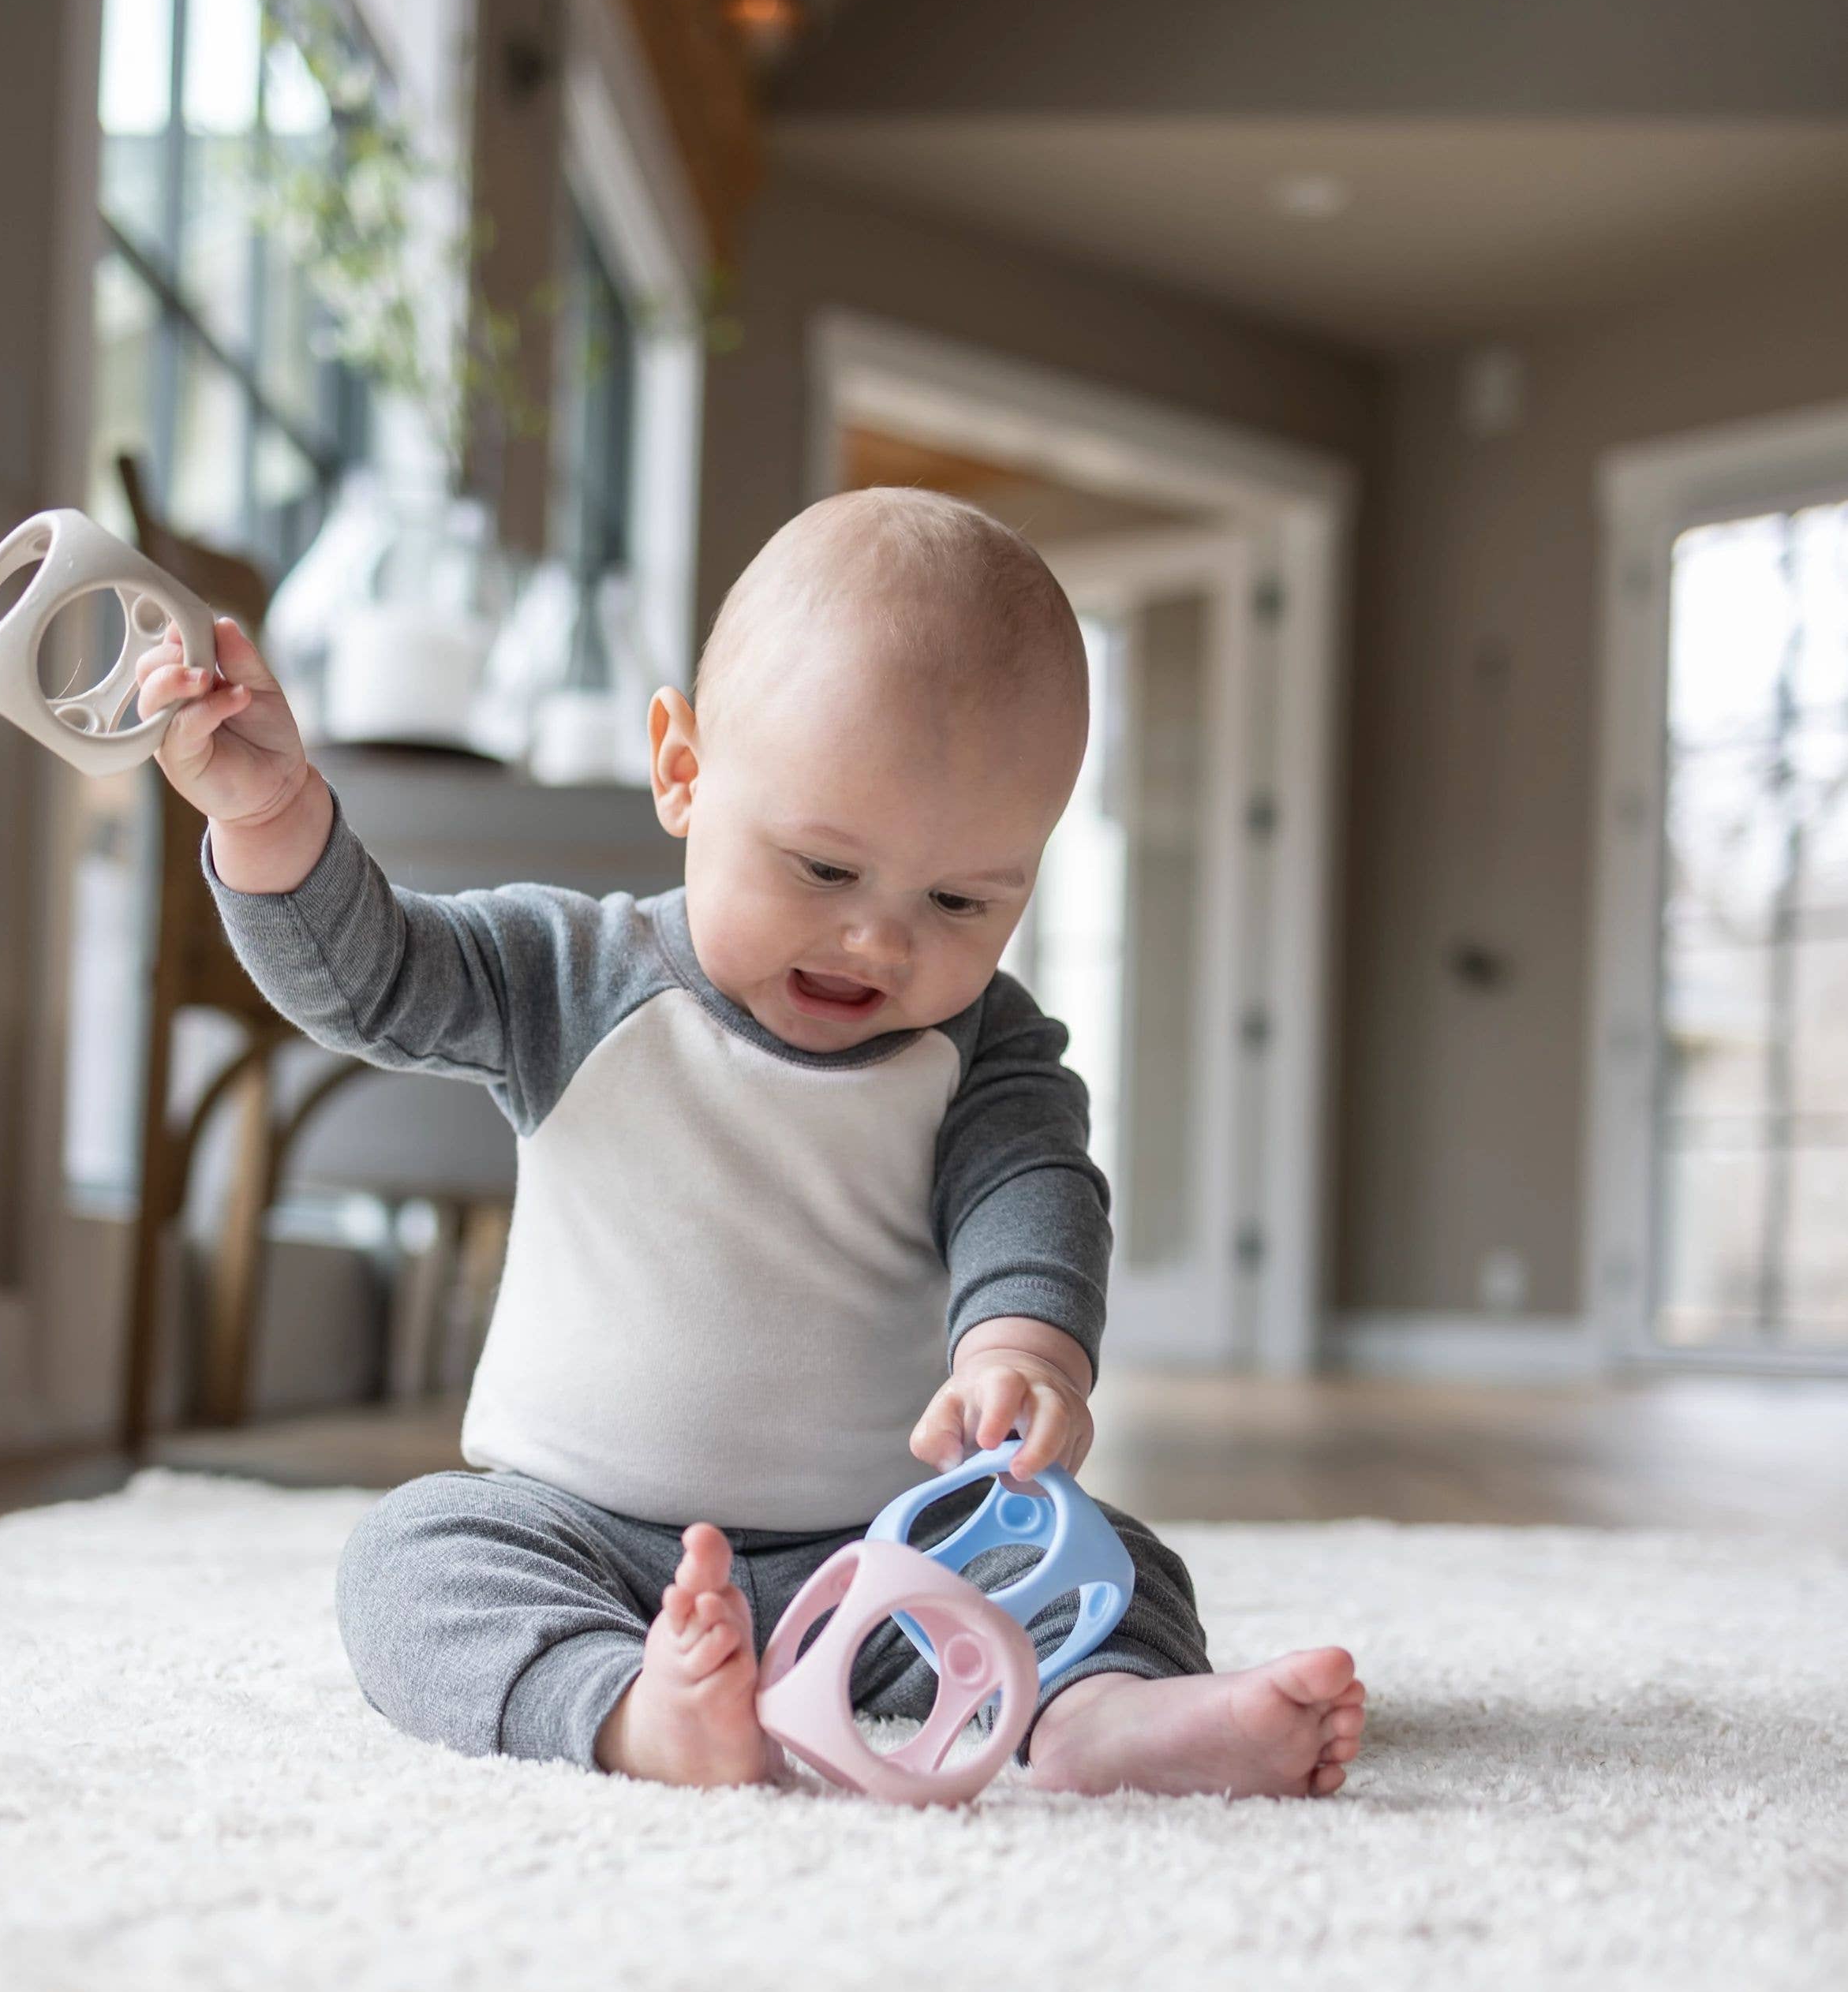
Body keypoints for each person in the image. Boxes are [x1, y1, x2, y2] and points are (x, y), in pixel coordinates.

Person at [137, 489, 1364, 1799]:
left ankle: (1095, 1720)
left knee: (1114, 1559)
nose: (879, 942)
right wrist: (268, 817)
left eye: (961, 899)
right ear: (684, 770)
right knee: (411, 1557)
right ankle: (632, 1709)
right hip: (583, 1538)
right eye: (824, 871)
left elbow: (1036, 1191)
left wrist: (1022, 1355)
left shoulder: (987, 1050)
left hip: (891, 1556)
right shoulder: (572, 973)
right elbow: (372, 980)